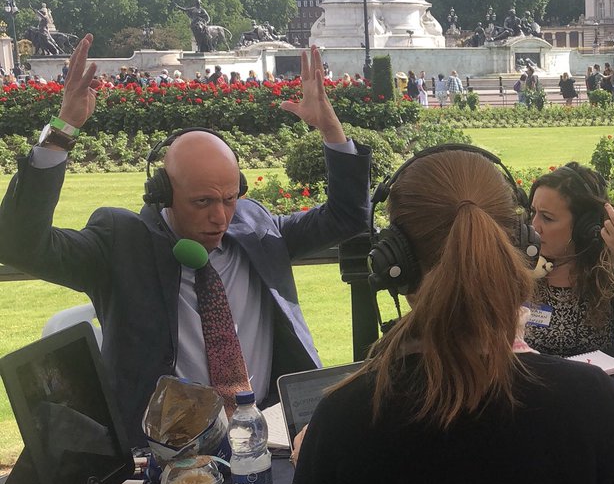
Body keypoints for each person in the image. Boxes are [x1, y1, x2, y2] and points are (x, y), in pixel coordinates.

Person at [269, 147, 614, 484]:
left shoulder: (344, 417)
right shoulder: (590, 399)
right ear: (519, 245)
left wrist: (316, 464)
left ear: (396, 263)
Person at [0, 37, 372, 442]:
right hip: (166, 456)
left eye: (230, 199)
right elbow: (22, 245)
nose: (219, 217)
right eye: (202, 202)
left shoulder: (257, 227)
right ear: (163, 194)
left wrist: (331, 129)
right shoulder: (121, 244)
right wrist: (61, 132)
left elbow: (347, 215)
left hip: (269, 435)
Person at [525, 162, 614, 356]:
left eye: (547, 218)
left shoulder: (608, 270)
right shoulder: (520, 268)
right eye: (533, 212)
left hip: (595, 385)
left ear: (583, 226)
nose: (534, 226)